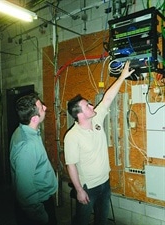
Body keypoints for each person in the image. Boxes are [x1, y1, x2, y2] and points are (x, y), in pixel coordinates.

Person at [64, 61, 134, 225]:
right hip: (88, 187)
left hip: (105, 182)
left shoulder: (96, 119)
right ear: (79, 114)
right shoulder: (72, 136)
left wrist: (122, 76)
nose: (91, 105)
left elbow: (108, 97)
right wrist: (79, 190)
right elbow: (71, 165)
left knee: (101, 220)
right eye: (86, 105)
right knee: (82, 221)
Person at [9, 92, 58, 225]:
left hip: (38, 200)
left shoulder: (25, 130)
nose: (45, 108)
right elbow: (24, 189)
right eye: (42, 107)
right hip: (36, 205)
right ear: (35, 118)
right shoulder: (27, 146)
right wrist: (40, 215)